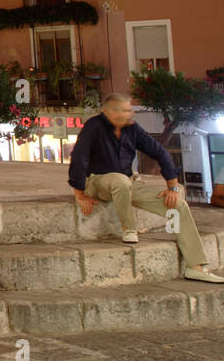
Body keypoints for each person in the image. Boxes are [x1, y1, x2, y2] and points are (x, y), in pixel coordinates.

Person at [69, 93, 223, 284]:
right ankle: (129, 229)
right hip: (98, 182)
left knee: (178, 205)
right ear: (109, 111)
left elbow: (159, 151)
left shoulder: (132, 129)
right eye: (124, 110)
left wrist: (172, 188)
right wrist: (79, 194)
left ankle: (196, 266)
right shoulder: (94, 126)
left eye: (129, 109)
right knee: (120, 181)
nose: (129, 113)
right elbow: (79, 158)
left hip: (128, 182)